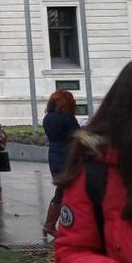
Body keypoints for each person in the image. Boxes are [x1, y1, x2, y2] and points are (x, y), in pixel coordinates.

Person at [54, 56, 132, 263]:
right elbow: (70, 253)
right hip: (66, 156)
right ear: (131, 104)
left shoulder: (51, 117)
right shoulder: (97, 170)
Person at [41, 89, 80, 237]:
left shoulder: (47, 118)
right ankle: (52, 225)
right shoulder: (67, 118)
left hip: (54, 155)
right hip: (68, 156)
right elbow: (76, 136)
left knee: (62, 189)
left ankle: (50, 225)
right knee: (67, 190)